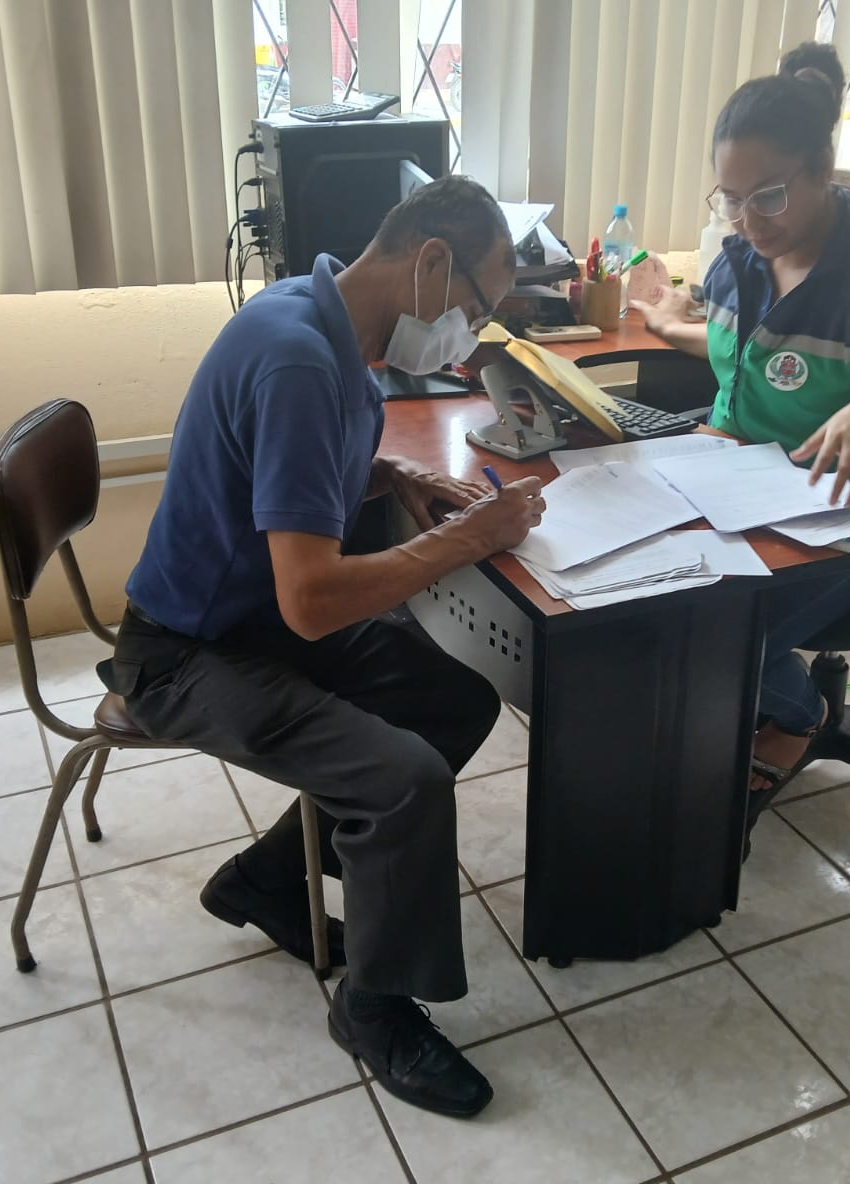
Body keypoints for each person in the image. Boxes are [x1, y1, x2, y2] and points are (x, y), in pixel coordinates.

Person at [107, 176, 544, 1118]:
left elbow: (296, 470)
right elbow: (311, 603)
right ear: (431, 262)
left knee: (458, 697)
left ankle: (266, 882)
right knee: (401, 780)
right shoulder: (299, 359)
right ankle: (373, 1010)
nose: (468, 340)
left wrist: (393, 475)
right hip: (185, 654)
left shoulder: (321, 317)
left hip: (249, 622)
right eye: (475, 310)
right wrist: (469, 538)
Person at [632, 42, 850, 847]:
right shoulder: (741, 258)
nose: (750, 220)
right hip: (741, 483)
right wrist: (671, 326)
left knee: (711, 629)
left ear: (824, 170)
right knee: (630, 590)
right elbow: (746, 357)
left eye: (770, 196)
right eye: (731, 199)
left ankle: (796, 712)